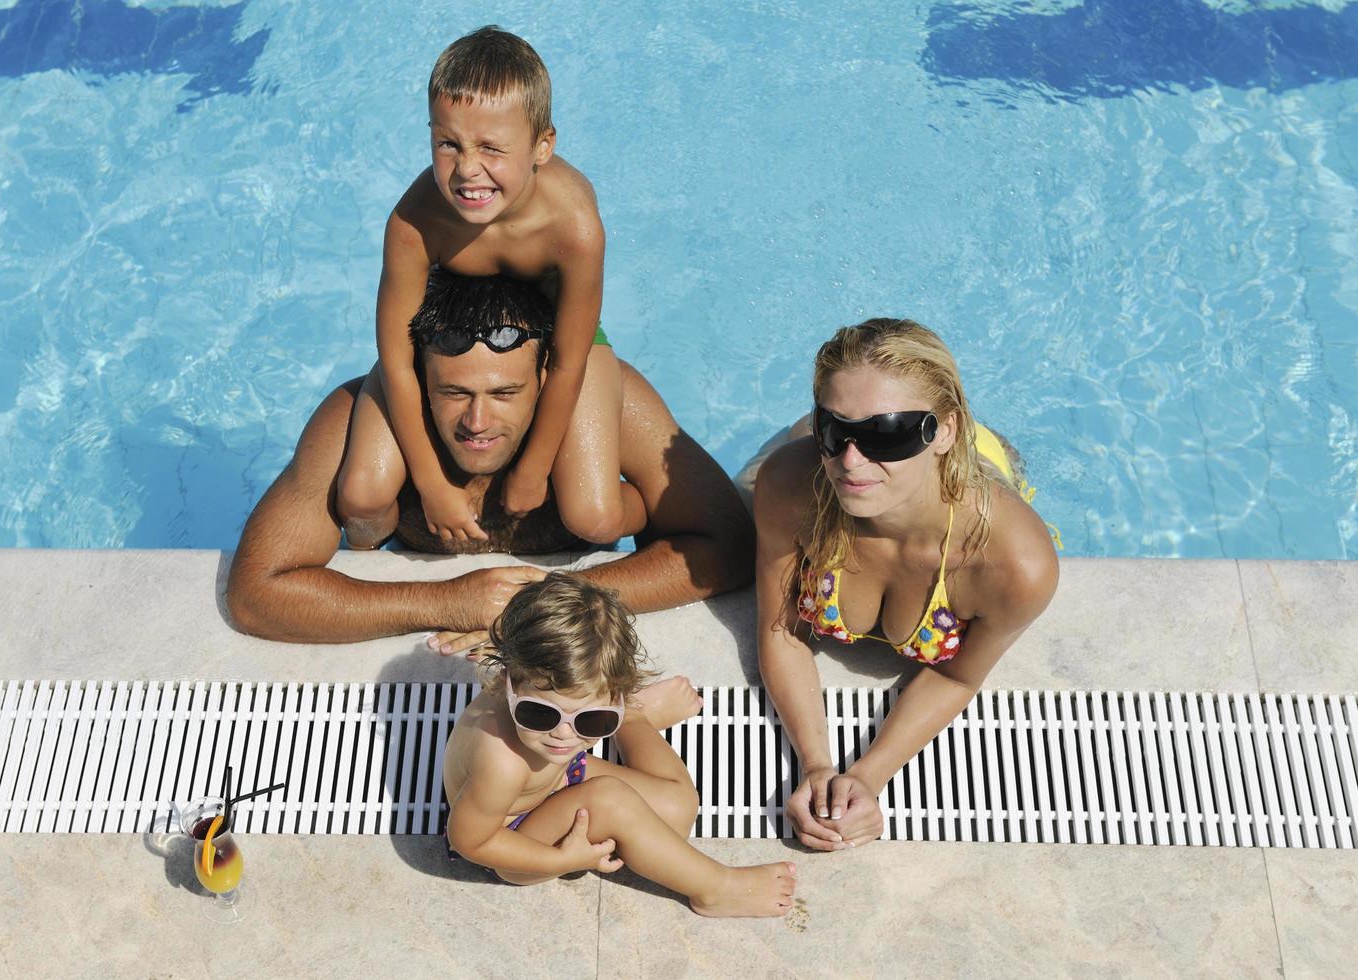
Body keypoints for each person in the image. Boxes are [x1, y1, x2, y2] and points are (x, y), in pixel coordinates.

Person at [225, 270, 753, 648]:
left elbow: (729, 546)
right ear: (418, 379)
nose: (477, 423)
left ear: (547, 377)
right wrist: (442, 603)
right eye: (454, 392)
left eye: (504, 394)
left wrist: (542, 601)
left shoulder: (606, 406)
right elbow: (255, 594)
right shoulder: (356, 420)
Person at [753, 318, 1059, 850]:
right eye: (834, 428)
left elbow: (957, 679)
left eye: (887, 434)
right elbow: (782, 631)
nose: (851, 460)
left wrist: (870, 776)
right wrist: (817, 764)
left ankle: (980, 443)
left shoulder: (1013, 562)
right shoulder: (793, 486)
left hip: (971, 471)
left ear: (944, 429)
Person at [337, 25, 641, 552]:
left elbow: (569, 359)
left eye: (491, 148)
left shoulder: (573, 227)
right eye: (447, 144)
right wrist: (430, 484)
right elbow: (395, 358)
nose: (467, 170)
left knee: (593, 515)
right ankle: (373, 555)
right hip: (454, 339)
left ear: (542, 145)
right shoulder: (415, 223)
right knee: (360, 496)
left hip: (552, 337)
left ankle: (648, 503)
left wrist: (535, 467)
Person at [444, 573, 797, 917]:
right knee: (612, 801)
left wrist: (606, 716)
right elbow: (469, 840)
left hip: (554, 780)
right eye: (539, 715)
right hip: (514, 841)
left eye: (593, 720)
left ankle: (634, 715)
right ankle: (716, 888)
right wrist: (562, 860)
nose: (565, 735)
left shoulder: (551, 728)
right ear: (508, 681)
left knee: (678, 809)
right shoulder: (502, 761)